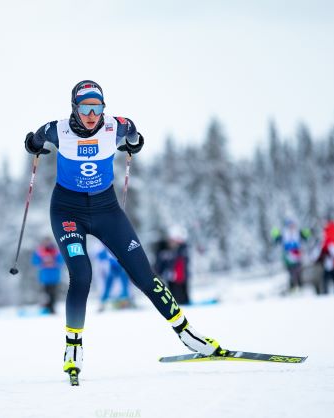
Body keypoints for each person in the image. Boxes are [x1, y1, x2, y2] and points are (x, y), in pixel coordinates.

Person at [24, 80, 224, 378]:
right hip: (68, 211)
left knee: (144, 274)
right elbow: (36, 140)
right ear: (74, 109)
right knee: (82, 274)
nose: (92, 114)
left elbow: (134, 135)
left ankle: (187, 333)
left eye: (98, 107)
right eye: (85, 108)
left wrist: (135, 143)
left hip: (106, 210)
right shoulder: (58, 129)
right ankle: (73, 346)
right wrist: (34, 145)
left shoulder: (116, 126)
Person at [272, 219, 311, 292]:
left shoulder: (297, 233)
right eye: (290, 225)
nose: (292, 227)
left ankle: (300, 288)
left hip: (297, 256)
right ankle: (293, 288)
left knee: (299, 272)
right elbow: (277, 240)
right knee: (292, 273)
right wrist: (275, 235)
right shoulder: (284, 234)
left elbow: (305, 237)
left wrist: (307, 232)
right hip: (288, 257)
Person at [155, 226, 191, 305]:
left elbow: (184, 264)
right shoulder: (165, 251)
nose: (172, 243)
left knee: (183, 294)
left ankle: (185, 302)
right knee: (174, 296)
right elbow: (159, 265)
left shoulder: (182, 250)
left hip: (181, 278)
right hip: (172, 279)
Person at [32, 237, 64, 314]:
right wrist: (43, 263)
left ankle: (52, 308)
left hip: (54, 276)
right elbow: (35, 262)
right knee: (45, 293)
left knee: (53, 293)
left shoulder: (56, 251)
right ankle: (47, 307)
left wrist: (53, 263)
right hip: (44, 277)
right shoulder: (40, 251)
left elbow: (61, 261)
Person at [97, 246, 132, 311]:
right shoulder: (105, 249)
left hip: (121, 268)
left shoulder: (119, 246)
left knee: (124, 285)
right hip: (113, 268)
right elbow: (100, 256)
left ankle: (125, 303)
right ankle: (102, 304)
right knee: (108, 286)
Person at [316, 218, 334, 294]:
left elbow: (329, 247)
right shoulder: (332, 236)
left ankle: (327, 290)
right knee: (332, 276)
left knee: (328, 276)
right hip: (330, 259)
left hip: (329, 259)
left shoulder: (329, 236)